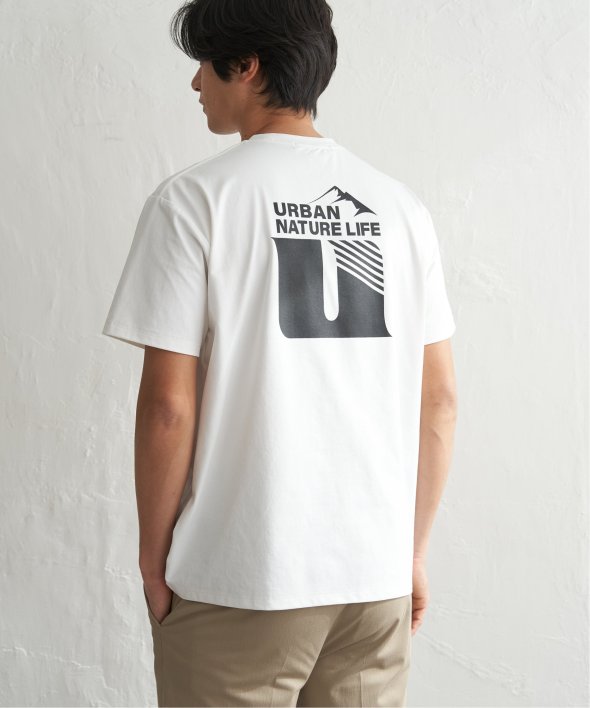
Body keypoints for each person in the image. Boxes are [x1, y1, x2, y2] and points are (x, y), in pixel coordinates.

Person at [101, 0, 458, 705]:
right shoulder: (400, 209)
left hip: (244, 579)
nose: (195, 82)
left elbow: (169, 407)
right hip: (373, 583)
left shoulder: (194, 202)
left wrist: (152, 559)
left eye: (204, 65)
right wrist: (410, 554)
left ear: (247, 65)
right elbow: (440, 402)